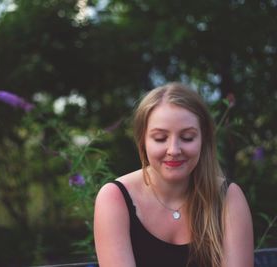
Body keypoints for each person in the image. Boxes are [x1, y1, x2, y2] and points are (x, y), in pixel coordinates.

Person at [94, 82, 253, 267]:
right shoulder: (115, 199)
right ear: (142, 141)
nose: (174, 150)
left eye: (187, 137)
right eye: (160, 138)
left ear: (204, 139)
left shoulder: (228, 198)